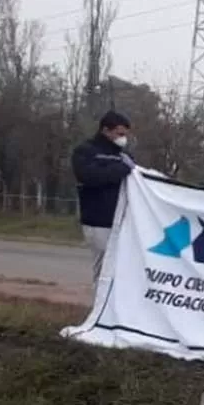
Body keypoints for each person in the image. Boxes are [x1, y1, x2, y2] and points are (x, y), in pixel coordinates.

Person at [70, 111, 136, 284]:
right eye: (120, 134)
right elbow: (89, 176)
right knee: (105, 268)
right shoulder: (86, 151)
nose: (123, 138)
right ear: (106, 130)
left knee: (118, 268)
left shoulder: (123, 155)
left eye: (125, 135)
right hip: (98, 221)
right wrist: (122, 169)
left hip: (120, 221)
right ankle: (102, 305)